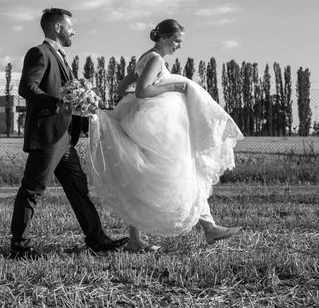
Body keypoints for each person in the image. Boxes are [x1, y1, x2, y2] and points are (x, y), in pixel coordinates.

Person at [82, 19, 242, 252]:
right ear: (164, 38)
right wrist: (173, 87)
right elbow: (142, 90)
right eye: (176, 40)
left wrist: (141, 96)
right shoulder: (156, 58)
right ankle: (209, 228)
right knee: (178, 171)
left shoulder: (145, 57)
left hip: (143, 120)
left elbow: (122, 88)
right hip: (156, 126)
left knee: (140, 177)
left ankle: (198, 229)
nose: (178, 46)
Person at [9, 8, 128, 259]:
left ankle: (97, 240)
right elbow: (27, 88)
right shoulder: (39, 53)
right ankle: (20, 246)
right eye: (70, 26)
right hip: (49, 136)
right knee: (33, 189)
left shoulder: (61, 57)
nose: (74, 30)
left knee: (78, 188)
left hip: (65, 138)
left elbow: (69, 97)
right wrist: (57, 103)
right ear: (58, 28)